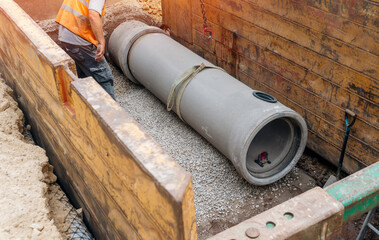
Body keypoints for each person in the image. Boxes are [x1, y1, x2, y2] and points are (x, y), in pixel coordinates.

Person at [55, 0, 115, 99]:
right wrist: (101, 42)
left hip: (66, 35)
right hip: (79, 38)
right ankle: (113, 111)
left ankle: (91, 107)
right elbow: (93, 15)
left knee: (83, 77)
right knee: (103, 77)